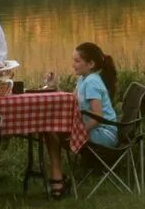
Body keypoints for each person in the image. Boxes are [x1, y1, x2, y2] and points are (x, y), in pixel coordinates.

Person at [44, 42, 119, 199]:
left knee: (51, 131)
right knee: (50, 130)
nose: (73, 65)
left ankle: (57, 180)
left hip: (104, 134)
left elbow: (97, 117)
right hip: (93, 130)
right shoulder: (83, 79)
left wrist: (77, 132)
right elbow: (71, 102)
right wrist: (53, 87)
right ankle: (57, 178)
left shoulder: (92, 81)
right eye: (73, 60)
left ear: (91, 64)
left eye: (77, 61)